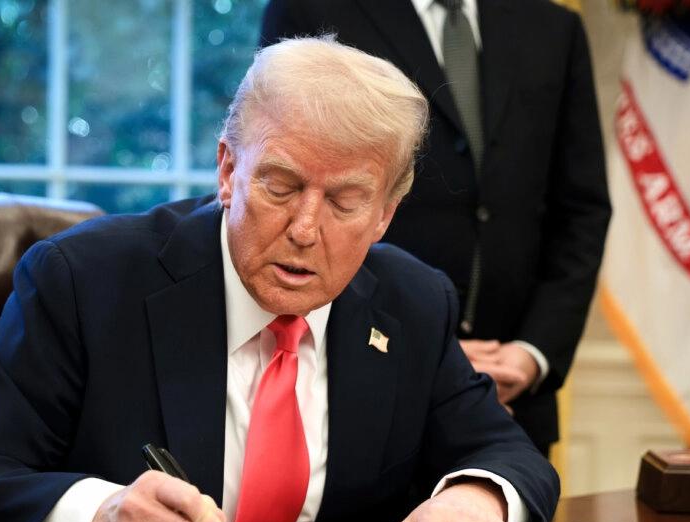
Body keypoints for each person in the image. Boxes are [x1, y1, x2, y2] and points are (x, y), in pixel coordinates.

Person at [0, 36, 559, 522]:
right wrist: (95, 519)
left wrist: (477, 496)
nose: (305, 229)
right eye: (280, 186)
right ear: (227, 171)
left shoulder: (413, 303)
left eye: (345, 202)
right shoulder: (86, 283)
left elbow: (501, 449)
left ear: (385, 213)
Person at [260, 0, 611, 456]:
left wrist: (532, 352)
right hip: (368, 381)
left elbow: (582, 210)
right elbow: (295, 174)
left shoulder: (554, 27)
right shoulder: (311, 11)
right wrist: (431, 354)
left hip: (514, 396)